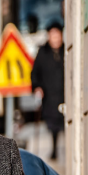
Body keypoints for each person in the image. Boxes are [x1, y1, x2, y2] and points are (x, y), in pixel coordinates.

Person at [30, 20, 66, 159]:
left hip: (63, 94)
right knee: (52, 124)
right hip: (49, 95)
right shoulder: (43, 53)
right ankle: (54, 149)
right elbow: (35, 73)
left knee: (65, 121)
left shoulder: (65, 51)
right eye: (53, 36)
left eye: (58, 35)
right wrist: (37, 87)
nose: (56, 39)